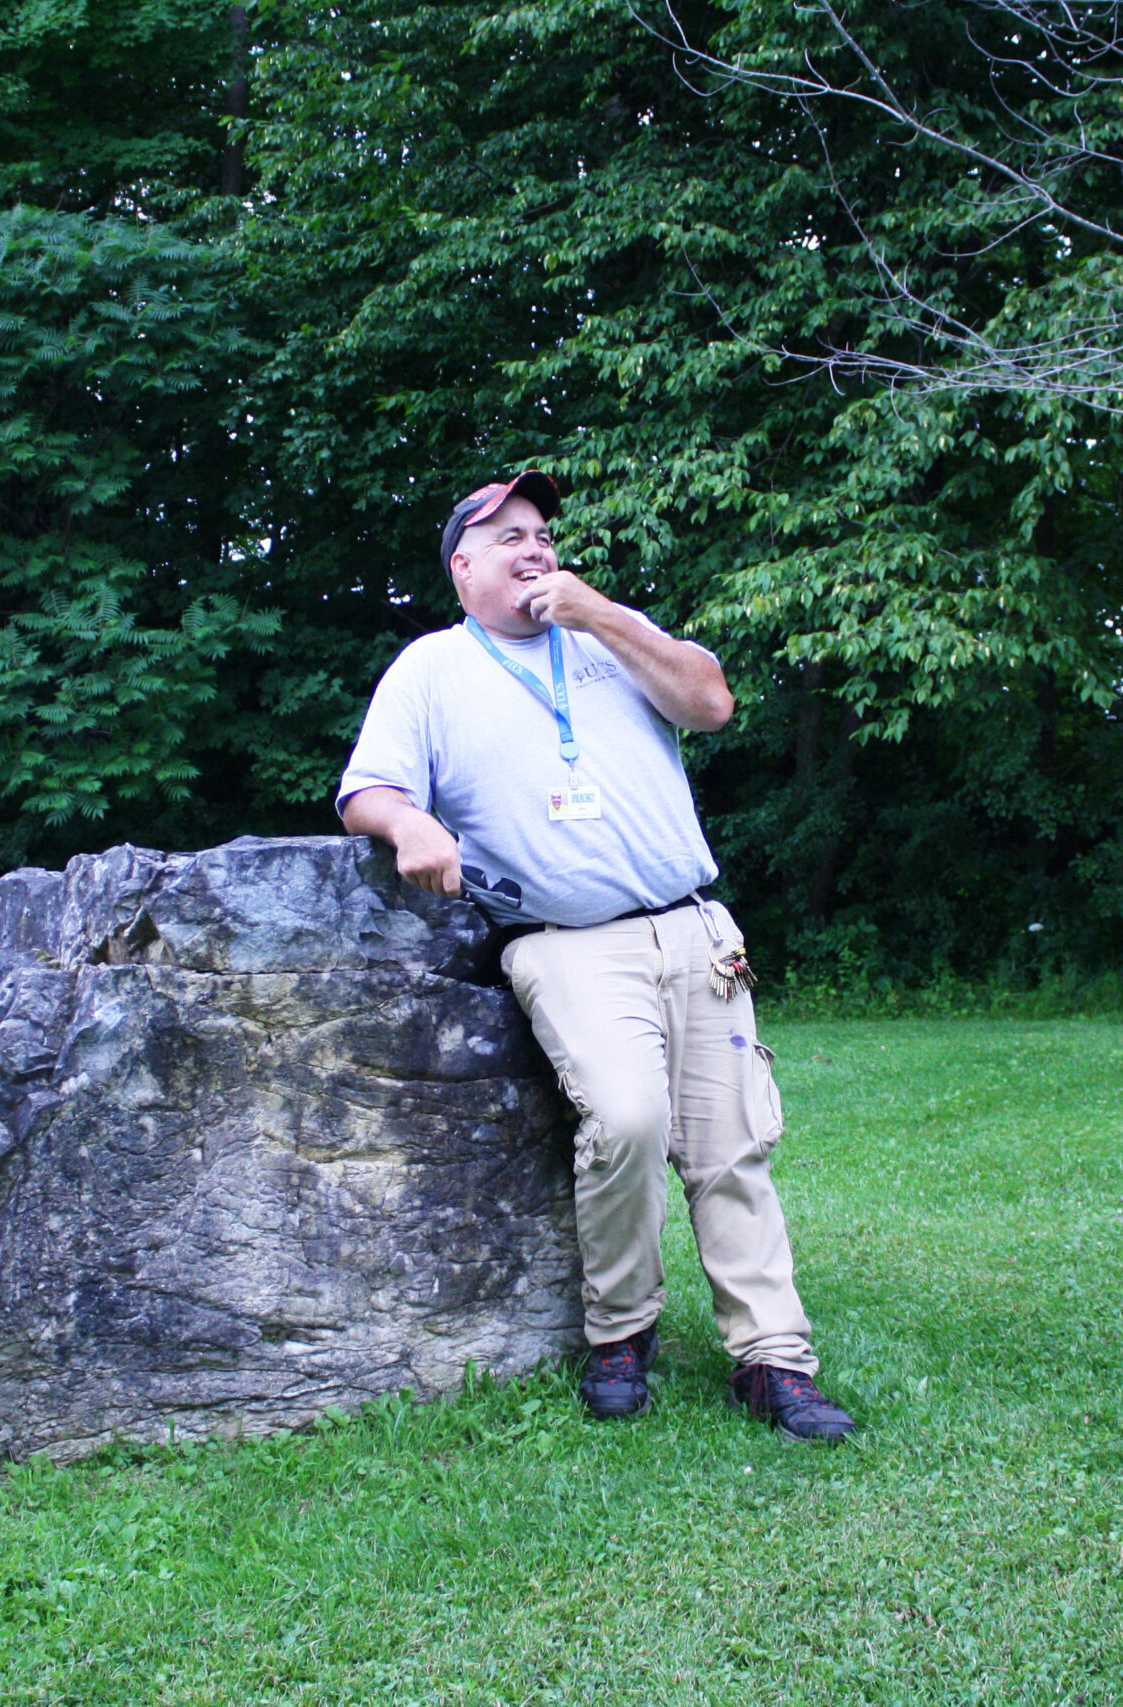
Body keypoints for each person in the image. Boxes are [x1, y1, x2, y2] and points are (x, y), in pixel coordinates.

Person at [337, 470, 856, 1443]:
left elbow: (710, 703)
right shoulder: (430, 671)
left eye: (541, 534)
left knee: (732, 1146)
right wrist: (408, 821)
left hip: (695, 931)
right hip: (566, 944)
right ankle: (622, 1332)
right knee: (626, 1120)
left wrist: (603, 613)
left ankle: (773, 1360)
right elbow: (366, 790)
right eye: (508, 538)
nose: (534, 548)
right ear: (462, 568)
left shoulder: (613, 639)